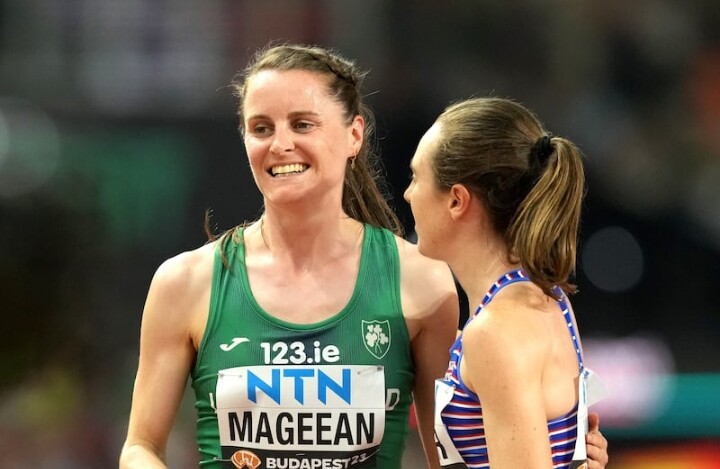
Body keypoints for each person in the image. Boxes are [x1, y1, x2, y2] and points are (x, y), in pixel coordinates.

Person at [119, 43, 608, 469]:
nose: (280, 143)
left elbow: (453, 455)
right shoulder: (186, 282)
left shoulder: (423, 282)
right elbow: (139, 446)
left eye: (302, 123)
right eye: (261, 127)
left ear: (354, 135)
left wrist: (567, 453)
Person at [404, 96, 606, 468]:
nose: (408, 194)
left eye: (417, 178)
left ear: (457, 200)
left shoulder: (495, 332)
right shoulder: (549, 297)